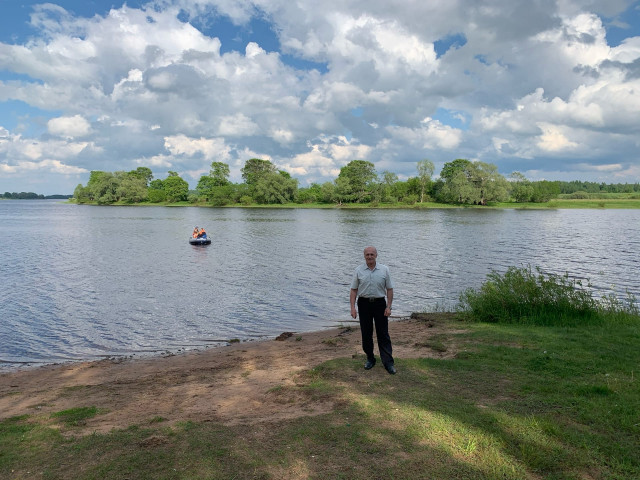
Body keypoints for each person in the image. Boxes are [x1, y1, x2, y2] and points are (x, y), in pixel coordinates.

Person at [350, 246, 396, 374]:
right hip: (364, 304)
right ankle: (370, 358)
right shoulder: (358, 270)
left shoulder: (384, 270)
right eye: (367, 255)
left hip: (380, 303)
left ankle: (388, 363)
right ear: (364, 256)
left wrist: (389, 307)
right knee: (366, 333)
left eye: (372, 254)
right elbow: (353, 290)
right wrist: (353, 308)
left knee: (383, 334)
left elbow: (390, 289)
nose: (369, 257)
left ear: (376, 255)